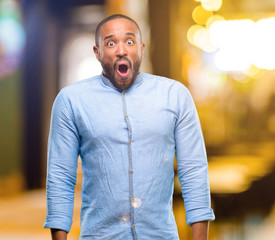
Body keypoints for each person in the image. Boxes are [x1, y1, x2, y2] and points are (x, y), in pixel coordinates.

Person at [44, 14, 215, 240]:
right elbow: (60, 177)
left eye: (129, 41)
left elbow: (193, 171)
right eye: (111, 43)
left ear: (142, 49)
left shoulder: (175, 96)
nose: (122, 50)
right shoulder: (71, 101)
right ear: (98, 53)